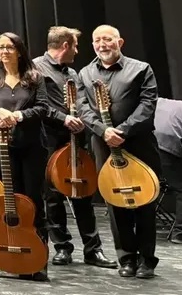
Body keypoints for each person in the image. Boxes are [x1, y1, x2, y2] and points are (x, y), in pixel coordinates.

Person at [77, 25, 160, 279]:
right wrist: (104, 132)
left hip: (138, 144)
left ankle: (147, 259)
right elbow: (82, 107)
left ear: (120, 42)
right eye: (97, 41)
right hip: (103, 146)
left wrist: (121, 131)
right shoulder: (85, 73)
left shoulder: (141, 69)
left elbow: (148, 105)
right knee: (115, 202)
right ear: (93, 45)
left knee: (145, 201)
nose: (102, 45)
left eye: (108, 40)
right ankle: (126, 258)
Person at [33, 27, 115, 269]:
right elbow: (37, 104)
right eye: (75, 46)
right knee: (53, 196)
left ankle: (93, 249)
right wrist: (63, 118)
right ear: (66, 45)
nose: (78, 51)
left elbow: (81, 102)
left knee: (83, 192)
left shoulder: (72, 72)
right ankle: (62, 248)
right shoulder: (36, 67)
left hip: (76, 139)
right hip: (49, 138)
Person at [0, 32, 50, 281]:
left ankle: (40, 258)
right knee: (12, 201)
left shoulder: (35, 78)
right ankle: (19, 255)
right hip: (6, 148)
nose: (4, 52)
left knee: (33, 202)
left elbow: (43, 108)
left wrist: (18, 116)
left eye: (9, 47)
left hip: (32, 147)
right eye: (1, 48)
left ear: (19, 50)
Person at [155, 96, 182, 244]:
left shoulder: (170, 104)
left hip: (144, 141)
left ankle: (136, 221)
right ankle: (181, 232)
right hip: (169, 145)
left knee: (146, 184)